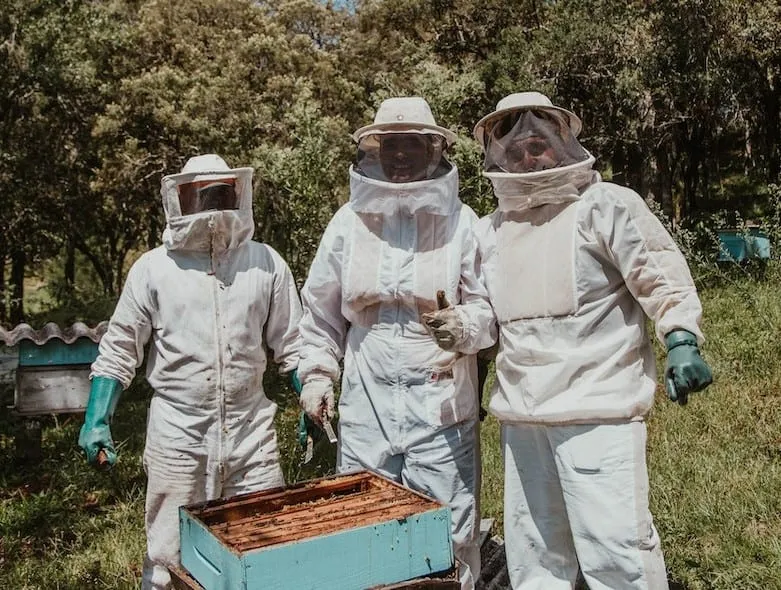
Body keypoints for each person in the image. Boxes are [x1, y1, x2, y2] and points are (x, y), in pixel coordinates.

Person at [471, 92, 713, 590]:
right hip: (522, 416)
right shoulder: (488, 229)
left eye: (538, 144)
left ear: (563, 143)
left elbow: (658, 273)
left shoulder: (607, 205)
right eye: (515, 149)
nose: (527, 155)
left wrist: (682, 337)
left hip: (599, 407)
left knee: (616, 548)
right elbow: (485, 316)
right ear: (497, 156)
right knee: (533, 552)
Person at [296, 97, 497, 590]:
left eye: (411, 144)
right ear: (375, 152)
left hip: (441, 396)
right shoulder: (348, 223)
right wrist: (318, 375)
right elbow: (320, 313)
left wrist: (464, 326)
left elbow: (492, 309)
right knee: (364, 519)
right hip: (367, 398)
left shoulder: (463, 222)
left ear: (433, 149)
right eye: (391, 145)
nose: (401, 156)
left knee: (449, 527)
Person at [78, 154, 302, 590]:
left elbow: (293, 343)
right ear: (181, 199)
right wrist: (96, 418)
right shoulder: (153, 269)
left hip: (252, 432)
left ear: (237, 194)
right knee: (169, 560)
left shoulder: (265, 262)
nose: (213, 206)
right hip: (177, 434)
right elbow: (121, 347)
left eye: (220, 193)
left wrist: (311, 393)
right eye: (203, 195)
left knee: (266, 547)